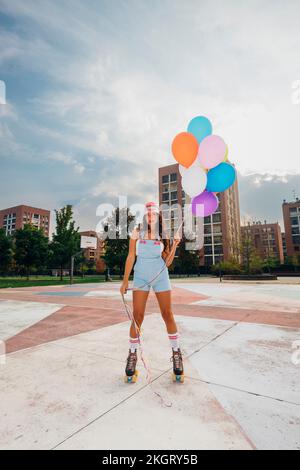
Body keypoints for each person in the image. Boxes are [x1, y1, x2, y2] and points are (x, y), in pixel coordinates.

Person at [120, 202, 184, 383]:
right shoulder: (136, 232)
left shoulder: (164, 235)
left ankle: (176, 353)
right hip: (140, 276)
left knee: (167, 314)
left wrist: (175, 245)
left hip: (161, 276)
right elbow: (131, 256)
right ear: (144, 216)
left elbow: (168, 262)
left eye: (153, 214)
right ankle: (132, 355)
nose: (150, 216)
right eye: (148, 213)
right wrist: (125, 281)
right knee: (138, 316)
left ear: (157, 216)